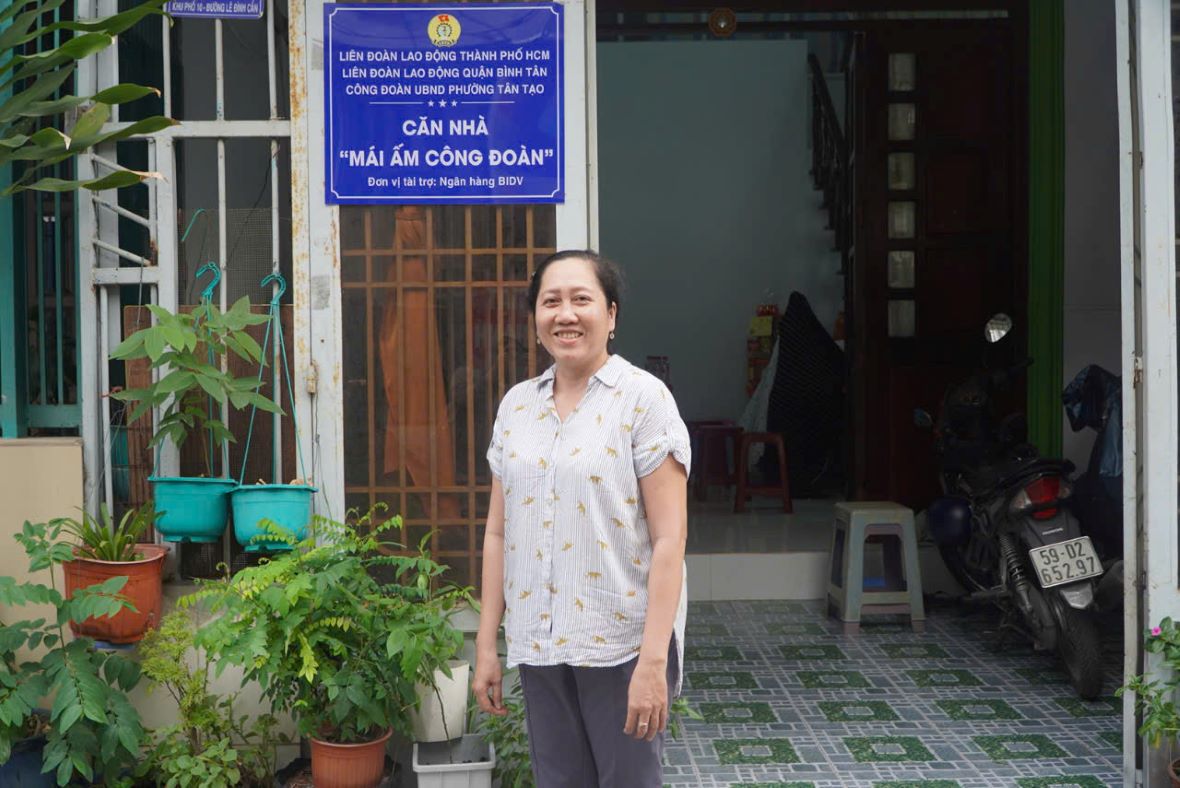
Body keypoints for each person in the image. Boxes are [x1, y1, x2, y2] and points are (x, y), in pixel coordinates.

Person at [473, 250, 690, 787]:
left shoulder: (643, 401)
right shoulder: (517, 407)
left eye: (581, 299)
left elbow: (670, 540)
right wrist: (485, 644)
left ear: (610, 314)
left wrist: (653, 660)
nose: (565, 314)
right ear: (535, 318)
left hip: (621, 646)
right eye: (551, 301)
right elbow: (498, 532)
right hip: (540, 643)